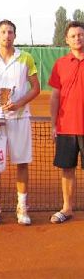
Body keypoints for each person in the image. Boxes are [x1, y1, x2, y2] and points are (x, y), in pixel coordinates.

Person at [0, 19, 40, 225]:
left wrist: (19, 103)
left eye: (10, 32)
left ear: (15, 35)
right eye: (3, 32)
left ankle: (22, 208)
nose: (7, 35)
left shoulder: (26, 58)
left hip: (20, 119)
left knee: (21, 163)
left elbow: (35, 88)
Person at [49, 21, 84, 223]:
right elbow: (55, 96)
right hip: (66, 127)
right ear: (67, 40)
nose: (77, 38)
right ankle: (67, 208)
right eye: (73, 35)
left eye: (80, 34)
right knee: (67, 169)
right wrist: (54, 124)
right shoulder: (60, 64)